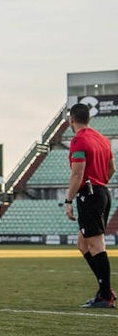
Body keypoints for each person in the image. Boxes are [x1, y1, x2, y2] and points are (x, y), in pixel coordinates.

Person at [64, 102, 116, 308]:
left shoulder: (79, 140)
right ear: (89, 119)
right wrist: (99, 182)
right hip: (102, 191)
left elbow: (77, 174)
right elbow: (111, 169)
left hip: (90, 194)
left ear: (71, 120)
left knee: (95, 245)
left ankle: (105, 295)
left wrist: (68, 200)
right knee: (83, 243)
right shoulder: (102, 139)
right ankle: (105, 290)